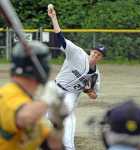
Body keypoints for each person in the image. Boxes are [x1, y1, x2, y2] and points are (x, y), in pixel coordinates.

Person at [47, 5, 107, 150]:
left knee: (67, 115)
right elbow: (60, 38)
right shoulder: (77, 53)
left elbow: (94, 96)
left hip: (71, 94)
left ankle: (69, 146)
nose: (95, 55)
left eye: (99, 55)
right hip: (56, 87)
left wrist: (89, 90)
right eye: (94, 52)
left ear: (101, 58)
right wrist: (53, 17)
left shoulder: (96, 75)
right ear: (91, 51)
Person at [0, 40, 66, 150]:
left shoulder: (29, 104)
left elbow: (54, 146)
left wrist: (58, 123)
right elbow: (24, 118)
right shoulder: (6, 95)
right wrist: (47, 98)